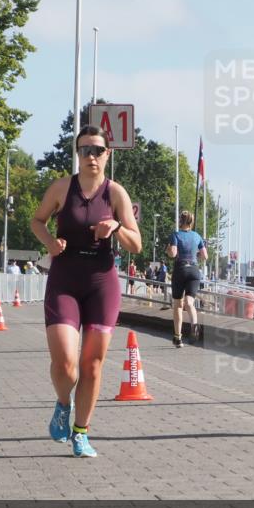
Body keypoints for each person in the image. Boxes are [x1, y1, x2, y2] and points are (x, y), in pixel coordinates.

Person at [30, 127, 142, 457]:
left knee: (92, 365)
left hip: (101, 283)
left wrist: (117, 228)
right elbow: (37, 221)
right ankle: (63, 404)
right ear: (77, 155)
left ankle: (81, 432)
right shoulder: (62, 188)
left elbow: (137, 244)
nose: (91, 156)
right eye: (84, 150)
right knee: (65, 363)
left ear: (108, 154)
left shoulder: (116, 194)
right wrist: (50, 242)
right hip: (65, 278)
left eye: (97, 150)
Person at [167, 211, 207, 347]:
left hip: (180, 270)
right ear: (191, 222)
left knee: (178, 304)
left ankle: (178, 338)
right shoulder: (197, 236)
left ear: (180, 221)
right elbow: (205, 256)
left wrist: (168, 249)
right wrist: (195, 255)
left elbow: (172, 254)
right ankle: (194, 327)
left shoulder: (175, 235)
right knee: (189, 302)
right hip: (194, 271)